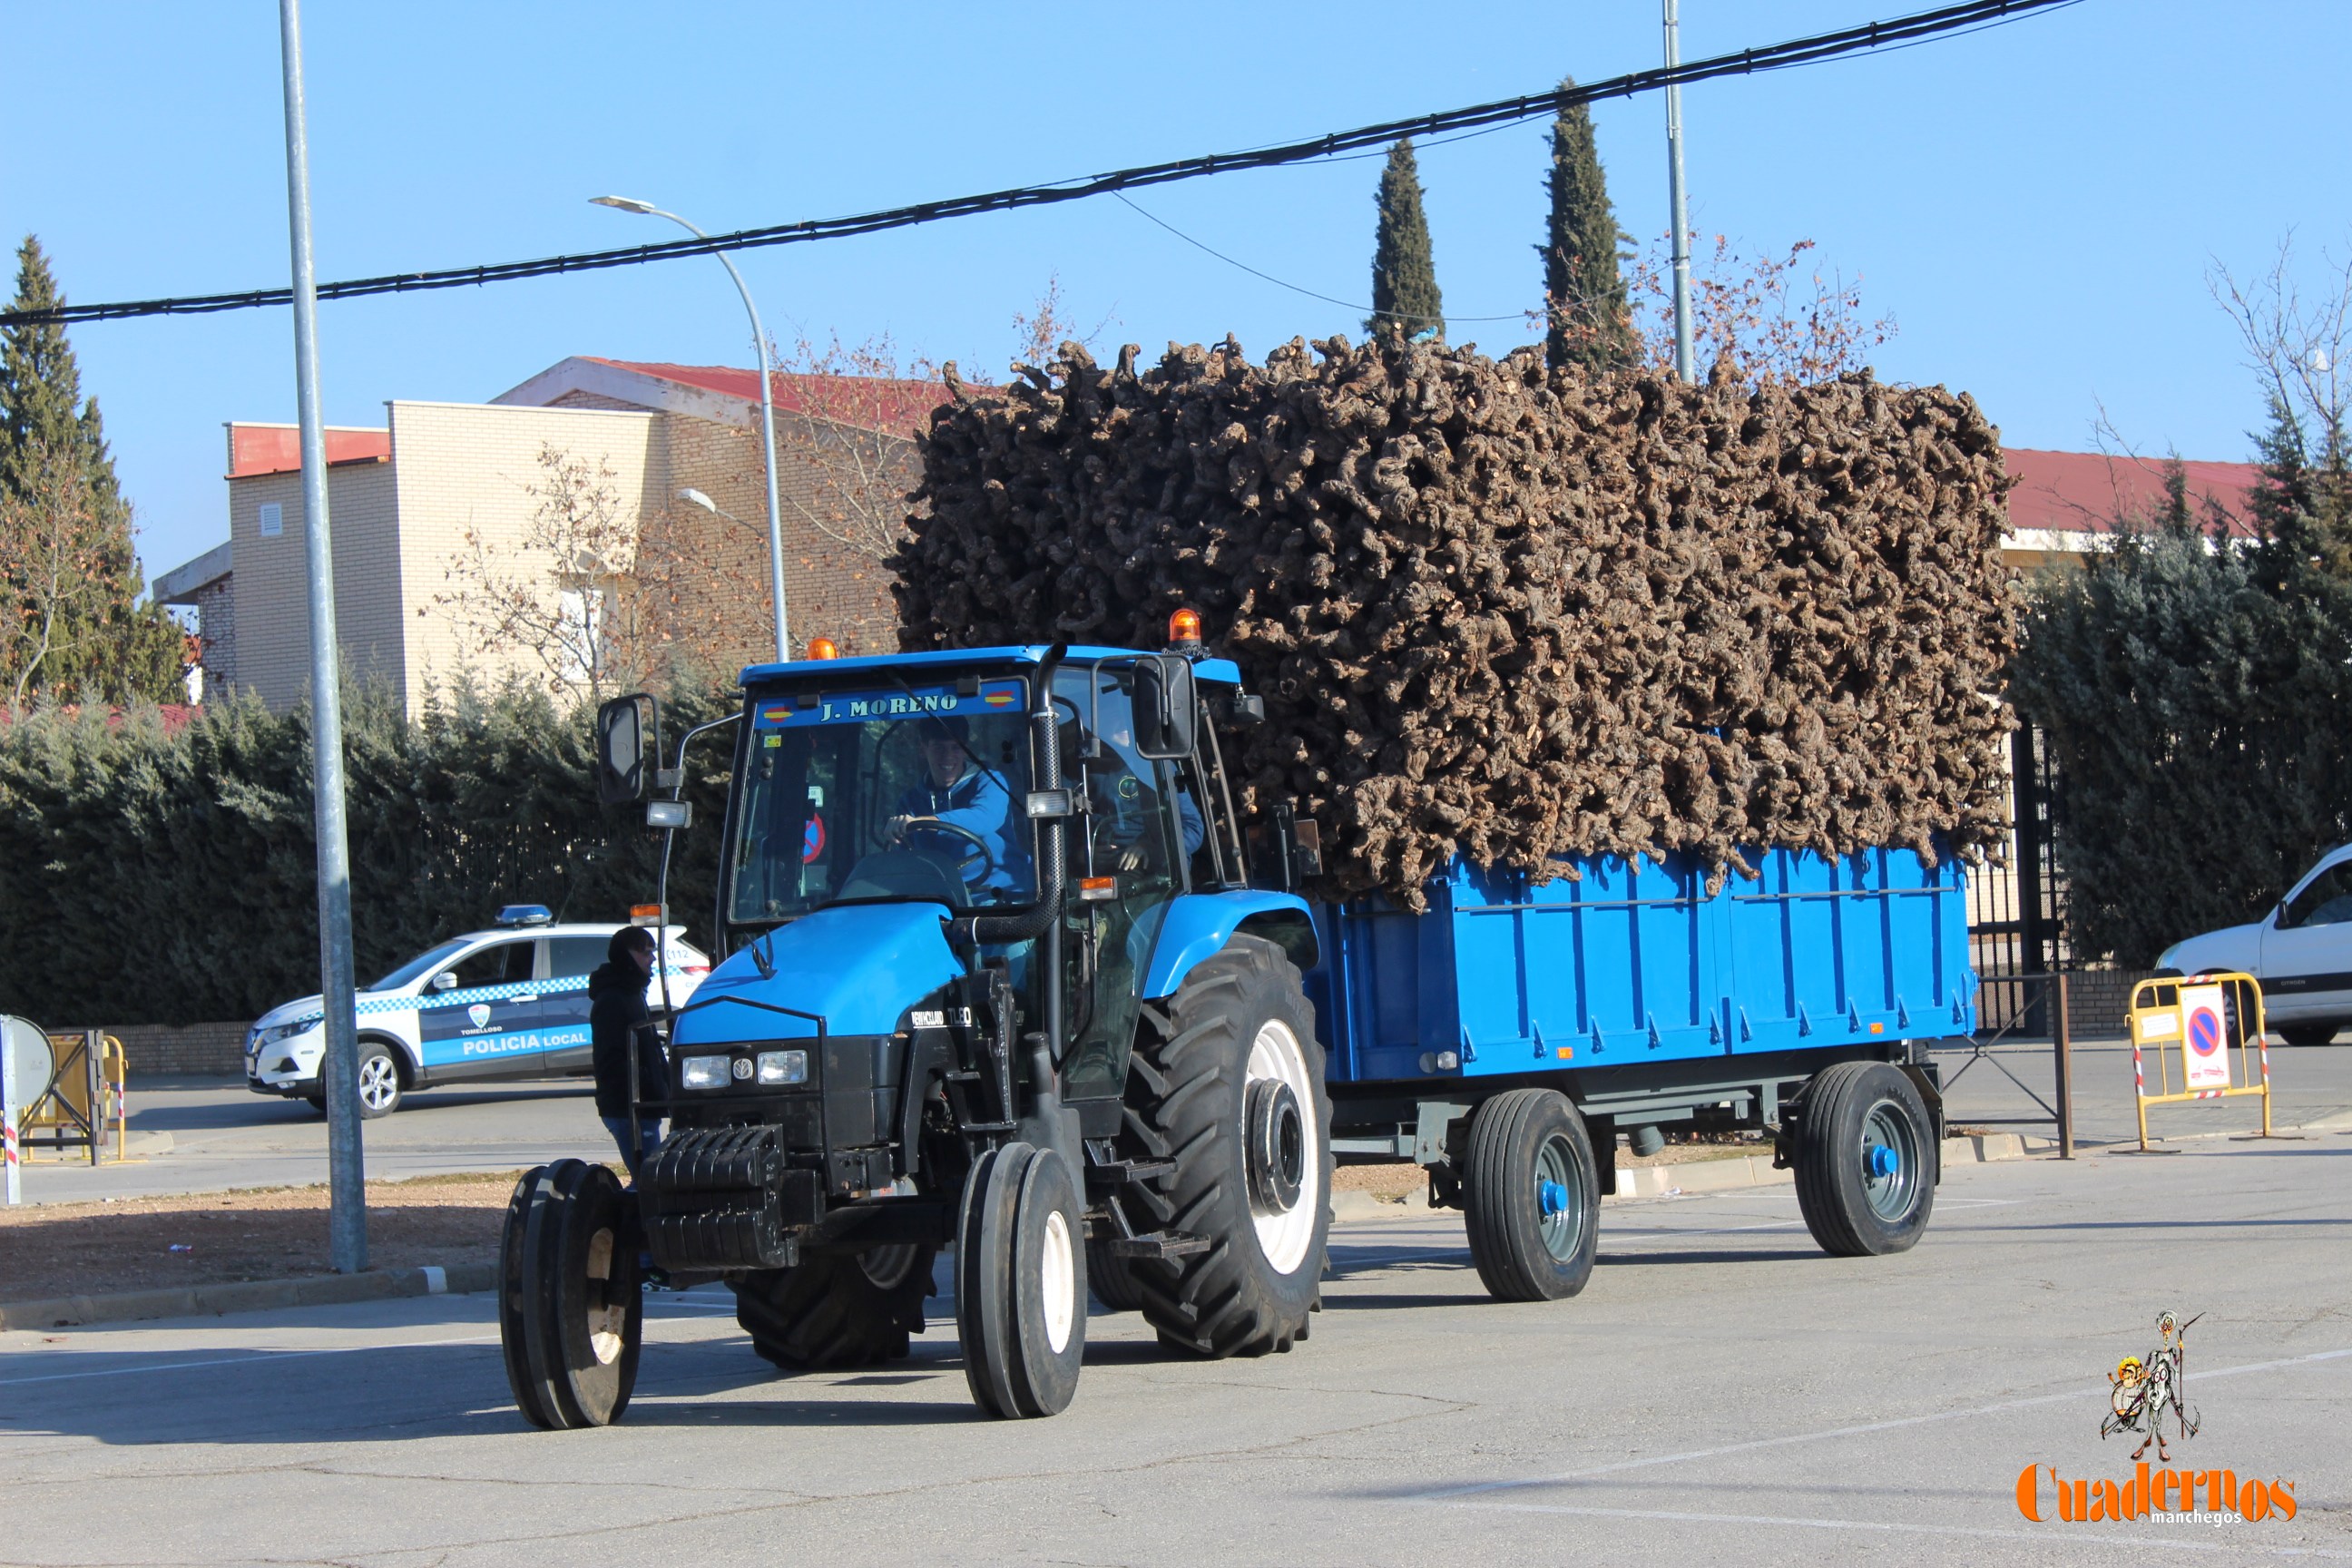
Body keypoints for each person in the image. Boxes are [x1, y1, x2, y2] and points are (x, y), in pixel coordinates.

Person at [887, 717, 1026, 899]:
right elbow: (906, 861)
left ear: (966, 750)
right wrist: (895, 831)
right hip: (940, 896)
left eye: (956, 747)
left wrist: (925, 822)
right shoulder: (910, 802)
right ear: (923, 749)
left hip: (998, 893)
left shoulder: (990, 781)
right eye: (939, 748)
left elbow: (985, 818)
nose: (948, 756)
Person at [589, 926, 665, 1181]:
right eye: (645, 953)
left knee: (650, 1178)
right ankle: (637, 1220)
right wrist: (645, 1082)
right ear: (626, 956)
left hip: (644, 1103)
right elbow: (610, 1058)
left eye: (652, 952)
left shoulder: (633, 993)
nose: (652, 958)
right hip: (629, 1107)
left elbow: (649, 1048)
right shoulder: (613, 998)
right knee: (649, 1181)